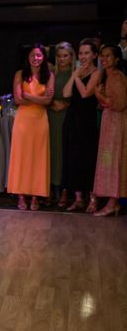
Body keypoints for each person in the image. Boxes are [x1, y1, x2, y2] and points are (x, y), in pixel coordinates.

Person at [7, 44, 54, 211]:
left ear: (44, 58)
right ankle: (21, 195)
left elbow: (48, 101)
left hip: (40, 120)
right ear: (28, 57)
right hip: (23, 120)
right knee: (21, 157)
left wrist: (27, 95)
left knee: (38, 157)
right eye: (33, 55)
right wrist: (38, 98)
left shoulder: (49, 75)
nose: (36, 58)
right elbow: (18, 100)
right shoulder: (20, 74)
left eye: (39, 55)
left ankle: (35, 196)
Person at [61, 39, 101, 212]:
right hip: (73, 118)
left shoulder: (97, 72)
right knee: (74, 157)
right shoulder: (76, 72)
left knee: (88, 157)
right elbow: (66, 93)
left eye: (87, 53)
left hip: (87, 119)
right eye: (82, 53)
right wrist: (75, 74)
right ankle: (78, 198)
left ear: (94, 55)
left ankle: (92, 198)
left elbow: (86, 94)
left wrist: (77, 76)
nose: (84, 56)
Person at [92, 45, 127, 216]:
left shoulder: (117, 77)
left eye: (108, 56)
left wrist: (98, 94)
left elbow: (119, 104)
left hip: (116, 126)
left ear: (117, 59)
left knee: (112, 160)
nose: (104, 59)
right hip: (110, 124)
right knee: (108, 159)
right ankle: (112, 202)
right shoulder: (109, 76)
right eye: (102, 56)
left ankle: (112, 202)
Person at [47, 42, 75, 207]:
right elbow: (44, 97)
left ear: (72, 57)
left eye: (65, 56)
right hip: (51, 117)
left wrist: (66, 104)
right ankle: (50, 188)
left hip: (68, 118)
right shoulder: (52, 74)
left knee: (65, 152)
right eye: (59, 56)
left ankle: (64, 190)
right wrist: (52, 104)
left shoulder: (75, 74)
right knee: (52, 151)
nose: (62, 59)